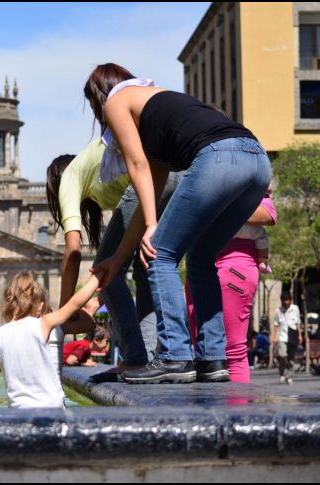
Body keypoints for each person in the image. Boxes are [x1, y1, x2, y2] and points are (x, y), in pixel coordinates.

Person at [87, 63, 271, 384]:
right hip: (257, 160)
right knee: (201, 257)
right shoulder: (160, 114)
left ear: (97, 96)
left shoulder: (117, 99)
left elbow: (137, 165)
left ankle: (174, 356)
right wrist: (118, 259)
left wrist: (152, 228)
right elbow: (150, 191)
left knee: (160, 254)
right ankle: (212, 359)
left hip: (219, 157)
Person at [46, 143, 183, 373]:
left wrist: (64, 310)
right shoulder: (100, 177)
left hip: (151, 175)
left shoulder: (70, 176)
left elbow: (73, 251)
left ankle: (135, 357)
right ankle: (145, 359)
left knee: (105, 270)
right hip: (175, 174)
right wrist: (95, 301)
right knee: (145, 268)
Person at [0, 272, 102, 409]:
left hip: (19, 411)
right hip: (51, 408)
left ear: (5, 306)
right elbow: (74, 303)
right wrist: (96, 278)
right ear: (39, 307)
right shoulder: (44, 324)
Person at [186, 193, 277, 383]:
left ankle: (236, 404)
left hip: (234, 260)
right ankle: (208, 403)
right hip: (198, 262)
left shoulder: (247, 177)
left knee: (232, 352)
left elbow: (268, 213)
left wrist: (220, 206)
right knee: (203, 351)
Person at [274, 291, 302, 385]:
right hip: (282, 336)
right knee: (282, 355)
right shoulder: (278, 311)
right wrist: (274, 337)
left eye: (287, 300)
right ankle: (282, 373)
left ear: (290, 300)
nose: (286, 302)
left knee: (291, 358)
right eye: (284, 300)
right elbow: (276, 324)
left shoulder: (295, 309)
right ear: (281, 301)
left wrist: (300, 335)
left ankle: (289, 376)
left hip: (293, 336)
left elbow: (298, 323)